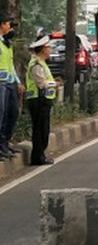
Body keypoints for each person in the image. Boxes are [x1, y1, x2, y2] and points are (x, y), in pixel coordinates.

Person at [25, 36, 57, 166]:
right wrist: (54, 84)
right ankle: (38, 157)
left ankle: (40, 155)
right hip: (38, 100)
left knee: (43, 129)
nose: (50, 50)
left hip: (43, 100)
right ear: (43, 49)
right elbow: (41, 83)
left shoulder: (42, 63)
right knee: (40, 130)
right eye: (48, 47)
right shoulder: (37, 64)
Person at [0, 14, 20, 159]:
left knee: (12, 113)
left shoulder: (6, 44)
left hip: (10, 83)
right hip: (1, 84)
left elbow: (11, 65)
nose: (10, 27)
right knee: (1, 114)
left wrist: (17, 82)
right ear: (1, 24)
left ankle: (5, 142)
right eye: (8, 24)